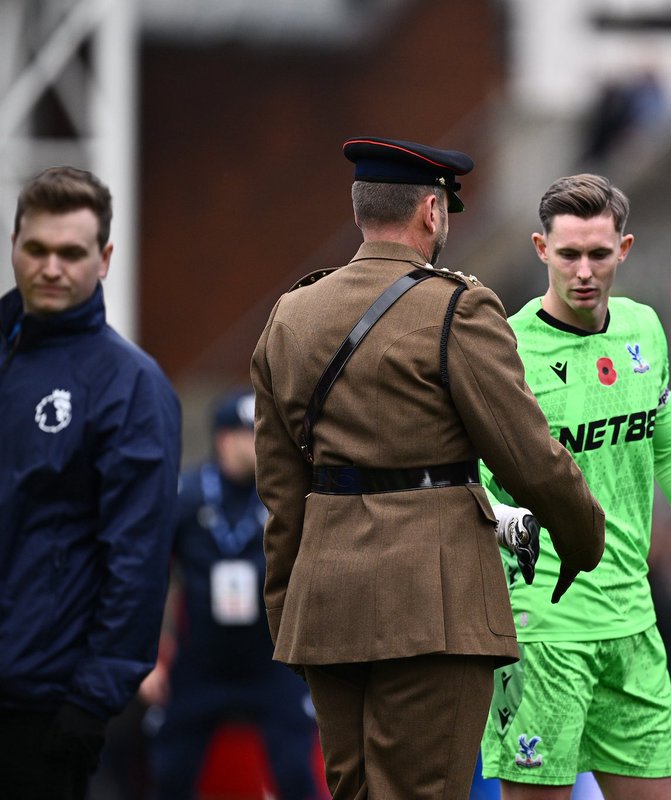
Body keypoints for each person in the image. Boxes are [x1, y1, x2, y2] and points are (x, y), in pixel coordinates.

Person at [251, 137, 606, 800]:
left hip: (324, 607)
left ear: (362, 213)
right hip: (433, 606)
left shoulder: (290, 318)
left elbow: (280, 495)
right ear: (431, 213)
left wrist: (288, 613)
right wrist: (583, 539)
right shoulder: (455, 308)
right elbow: (529, 457)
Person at [479, 173, 671, 799]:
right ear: (539, 248)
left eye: (599, 254)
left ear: (624, 250)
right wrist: (502, 520)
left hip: (634, 626)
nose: (584, 270)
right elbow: (469, 478)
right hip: (542, 635)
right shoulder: (504, 349)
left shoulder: (645, 329)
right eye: (569, 253)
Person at [0, 166, 182, 799]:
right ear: (15, 245)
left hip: (43, 708)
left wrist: (93, 701)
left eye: (71, 253)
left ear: (103, 260)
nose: (51, 266)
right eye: (37, 249)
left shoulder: (130, 387)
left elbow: (137, 560)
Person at [139, 388, 318, 799]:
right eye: (249, 432)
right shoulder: (186, 496)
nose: (261, 440)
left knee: (295, 773)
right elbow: (150, 576)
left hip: (272, 661)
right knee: (169, 774)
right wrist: (149, 653)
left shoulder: (284, 495)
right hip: (201, 663)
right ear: (224, 440)